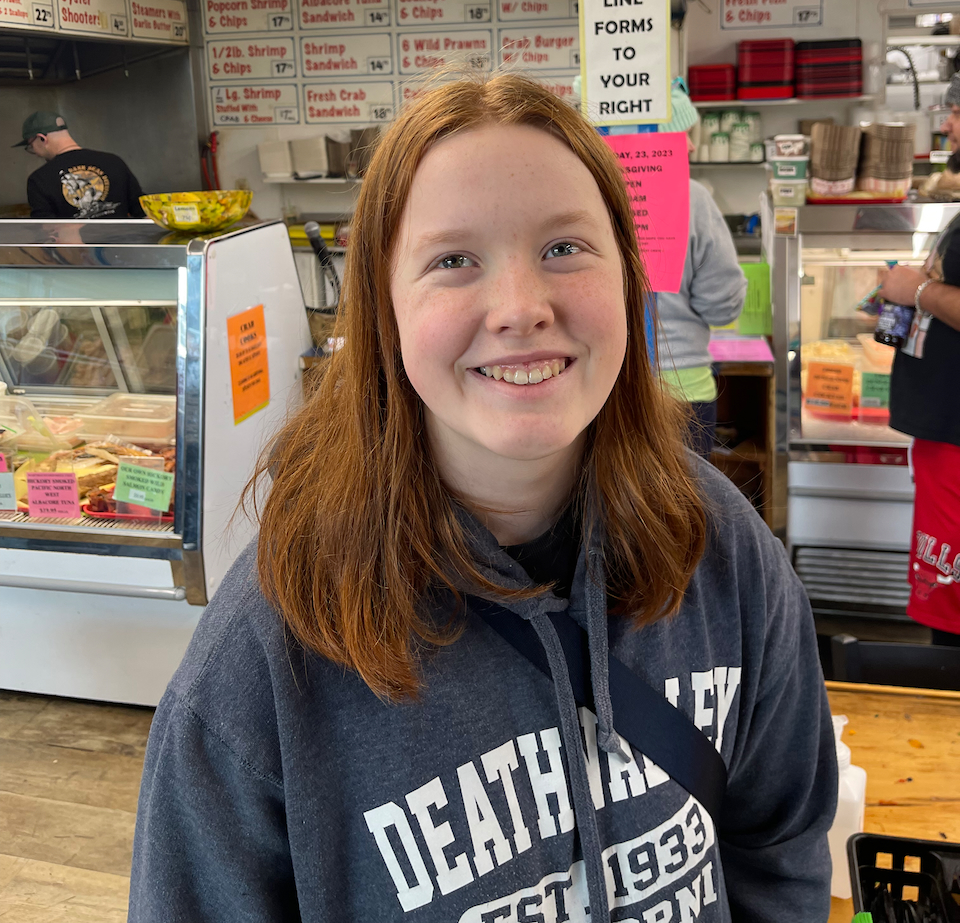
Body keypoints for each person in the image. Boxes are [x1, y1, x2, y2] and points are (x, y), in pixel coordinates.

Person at [128, 74, 835, 923]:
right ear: (384, 308)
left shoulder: (721, 544)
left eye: (565, 248)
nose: (519, 309)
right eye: (453, 260)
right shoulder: (265, 659)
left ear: (626, 276)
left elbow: (780, 842)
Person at [881, 193, 960, 646]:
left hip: (955, 437)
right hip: (944, 434)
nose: (946, 121)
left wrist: (917, 291)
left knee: (949, 608)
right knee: (943, 596)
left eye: (951, 114)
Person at [656, 82, 747, 457]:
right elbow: (722, 305)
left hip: (598, 389)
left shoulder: (583, 193)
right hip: (682, 389)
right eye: (682, 135)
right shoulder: (690, 197)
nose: (692, 146)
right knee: (682, 512)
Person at [14, 110, 146, 219]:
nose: (35, 153)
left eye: (31, 146)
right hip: (123, 248)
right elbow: (143, 211)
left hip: (77, 251)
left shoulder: (39, 179)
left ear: (42, 138)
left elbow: (46, 230)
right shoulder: (114, 161)